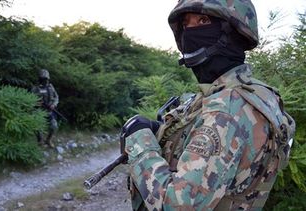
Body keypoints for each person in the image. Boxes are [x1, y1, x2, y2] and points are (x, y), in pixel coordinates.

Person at [120, 0, 296, 210]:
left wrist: (140, 142)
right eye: (186, 24)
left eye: (203, 20)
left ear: (233, 32)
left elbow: (177, 205)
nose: (191, 32)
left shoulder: (228, 109)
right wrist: (165, 133)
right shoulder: (254, 93)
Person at [32, 69, 59, 148]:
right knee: (37, 126)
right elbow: (30, 100)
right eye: (42, 78)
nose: (44, 80)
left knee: (54, 125)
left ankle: (48, 140)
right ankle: (40, 140)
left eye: (46, 79)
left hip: (49, 111)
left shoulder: (51, 87)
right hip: (38, 111)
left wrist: (54, 104)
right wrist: (36, 103)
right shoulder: (35, 88)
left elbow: (56, 97)